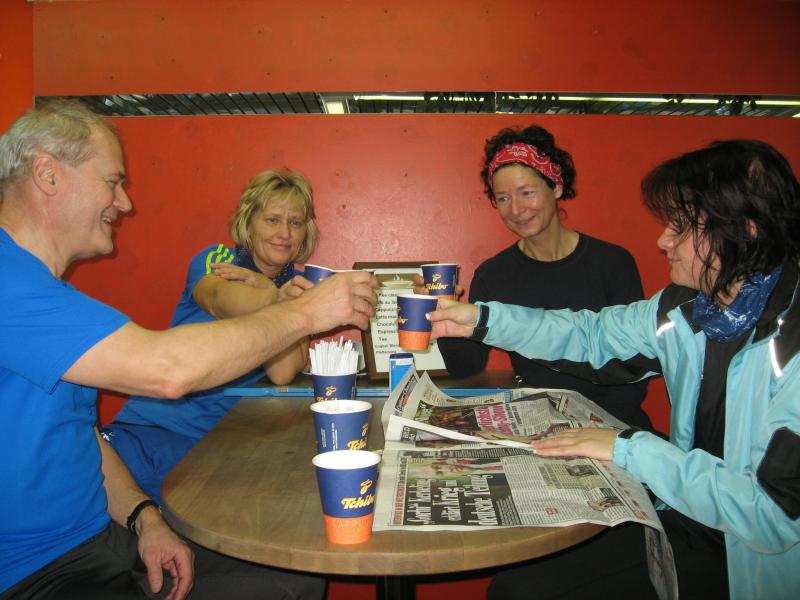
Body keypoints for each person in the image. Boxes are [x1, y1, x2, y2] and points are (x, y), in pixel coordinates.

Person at [0, 100, 378, 599]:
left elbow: (79, 436)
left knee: (297, 581)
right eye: (112, 182)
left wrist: (144, 519)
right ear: (48, 174)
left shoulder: (48, 292)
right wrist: (303, 312)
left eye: (296, 222)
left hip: (100, 537)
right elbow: (169, 369)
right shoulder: (11, 283)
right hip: (35, 570)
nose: (125, 203)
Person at [427, 139, 800, 599]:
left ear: (744, 229)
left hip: (753, 565)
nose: (663, 241)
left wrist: (629, 448)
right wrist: (482, 320)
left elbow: (772, 516)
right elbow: (591, 337)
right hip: (686, 516)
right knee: (513, 588)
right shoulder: (684, 309)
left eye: (681, 226)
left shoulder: (792, 345)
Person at [102, 168, 318, 503]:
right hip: (153, 431)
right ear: (248, 223)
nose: (284, 233)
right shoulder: (218, 258)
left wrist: (277, 293)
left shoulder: (297, 289)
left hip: (217, 446)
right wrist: (276, 298)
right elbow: (218, 299)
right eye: (272, 220)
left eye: (296, 222)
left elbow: (282, 373)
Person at [430, 125, 652, 430]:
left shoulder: (612, 262)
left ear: (556, 187)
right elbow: (465, 367)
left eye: (527, 193)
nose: (516, 209)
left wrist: (595, 432)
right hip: (539, 426)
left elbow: (634, 366)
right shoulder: (494, 275)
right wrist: (445, 311)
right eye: (503, 198)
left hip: (611, 426)